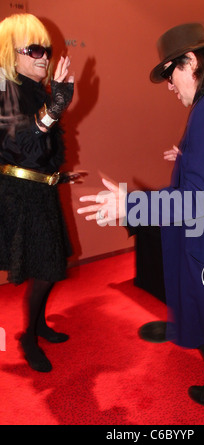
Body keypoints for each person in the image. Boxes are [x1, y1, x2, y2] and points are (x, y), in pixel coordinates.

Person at [78, 23, 204, 408]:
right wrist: (192, 157)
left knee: (203, 317)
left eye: (169, 75)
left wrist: (130, 206)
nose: (170, 87)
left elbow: (197, 200)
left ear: (190, 62)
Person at [0, 13, 76, 373]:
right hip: (19, 195)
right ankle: (27, 337)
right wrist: (57, 106)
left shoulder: (33, 90)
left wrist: (58, 177)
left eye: (45, 49)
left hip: (39, 190)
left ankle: (39, 325)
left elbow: (41, 151)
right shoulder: (4, 87)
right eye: (33, 49)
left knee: (47, 264)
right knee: (45, 267)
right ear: (10, 54)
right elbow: (20, 142)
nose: (44, 56)